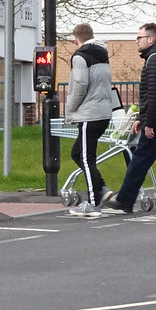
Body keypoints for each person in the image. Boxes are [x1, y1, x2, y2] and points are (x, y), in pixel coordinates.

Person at [104, 22, 156, 216]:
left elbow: (155, 93)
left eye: (139, 38)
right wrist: (143, 117)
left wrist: (149, 122)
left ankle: (125, 200)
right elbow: (154, 94)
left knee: (140, 158)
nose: (136, 42)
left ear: (151, 39)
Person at [64, 23, 113, 218]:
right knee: (78, 152)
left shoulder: (80, 56)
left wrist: (70, 109)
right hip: (103, 112)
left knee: (86, 157)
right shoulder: (102, 54)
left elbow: (80, 85)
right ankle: (101, 188)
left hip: (89, 114)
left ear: (76, 39)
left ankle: (93, 202)